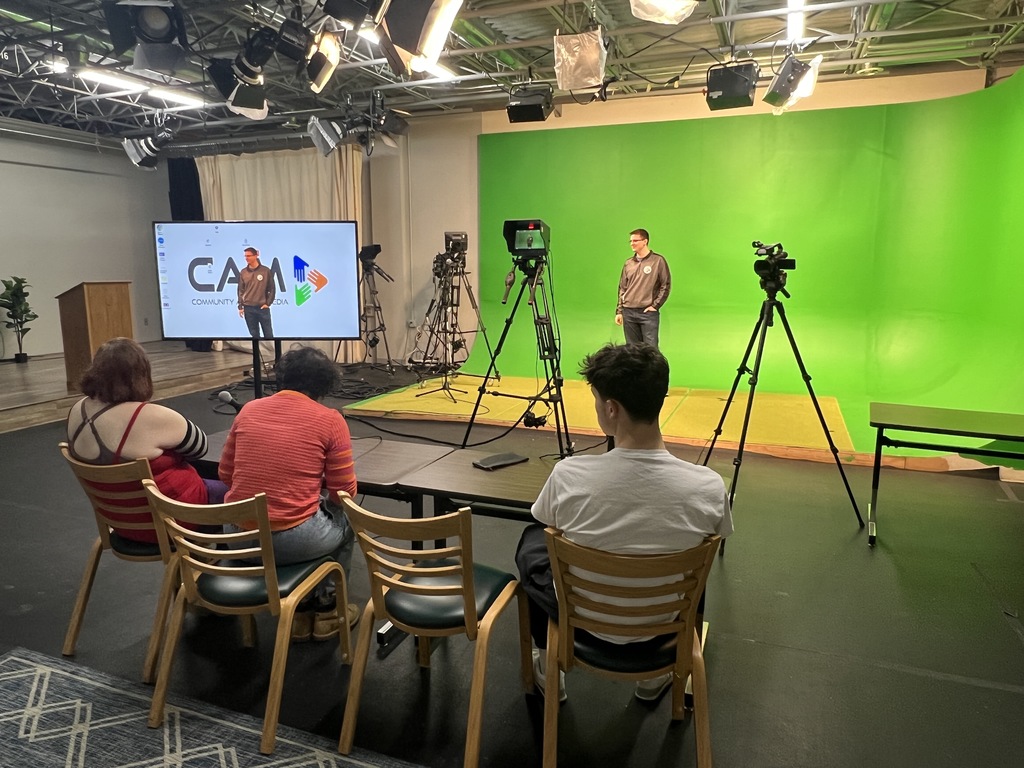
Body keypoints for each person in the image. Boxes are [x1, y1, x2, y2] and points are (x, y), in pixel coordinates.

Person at [515, 342, 733, 703]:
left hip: (582, 621)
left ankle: (546, 663)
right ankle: (659, 675)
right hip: (662, 626)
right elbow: (719, 535)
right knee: (695, 559)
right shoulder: (708, 487)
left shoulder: (567, 475)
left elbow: (546, 522)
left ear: (611, 409)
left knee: (533, 540)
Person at [218, 346, 357, 642]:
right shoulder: (331, 420)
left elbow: (226, 476)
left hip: (236, 537)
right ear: (326, 384)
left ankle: (299, 610)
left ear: (282, 377)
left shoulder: (249, 410)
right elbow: (344, 493)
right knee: (344, 523)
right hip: (289, 542)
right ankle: (326, 611)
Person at [66, 337, 227, 543]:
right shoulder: (148, 417)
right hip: (172, 517)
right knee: (247, 493)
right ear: (140, 375)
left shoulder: (77, 410)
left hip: (121, 521)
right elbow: (200, 448)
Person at [615, 228, 671, 349]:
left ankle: (652, 369)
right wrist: (619, 311)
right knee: (632, 351)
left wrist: (655, 306)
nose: (632, 244)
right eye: (630, 241)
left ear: (645, 241)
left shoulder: (658, 261)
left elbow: (665, 285)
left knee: (651, 351)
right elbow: (622, 288)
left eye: (635, 241)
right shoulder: (628, 263)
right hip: (628, 312)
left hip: (648, 314)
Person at [237, 246, 275, 338]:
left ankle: (272, 352)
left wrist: (268, 303)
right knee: (254, 335)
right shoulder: (243, 272)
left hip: (262, 308)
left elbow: (272, 288)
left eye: (249, 256)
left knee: (268, 334)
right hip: (248, 308)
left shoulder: (265, 271)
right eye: (245, 256)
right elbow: (240, 290)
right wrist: (240, 306)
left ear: (256, 256)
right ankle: (257, 352)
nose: (247, 258)